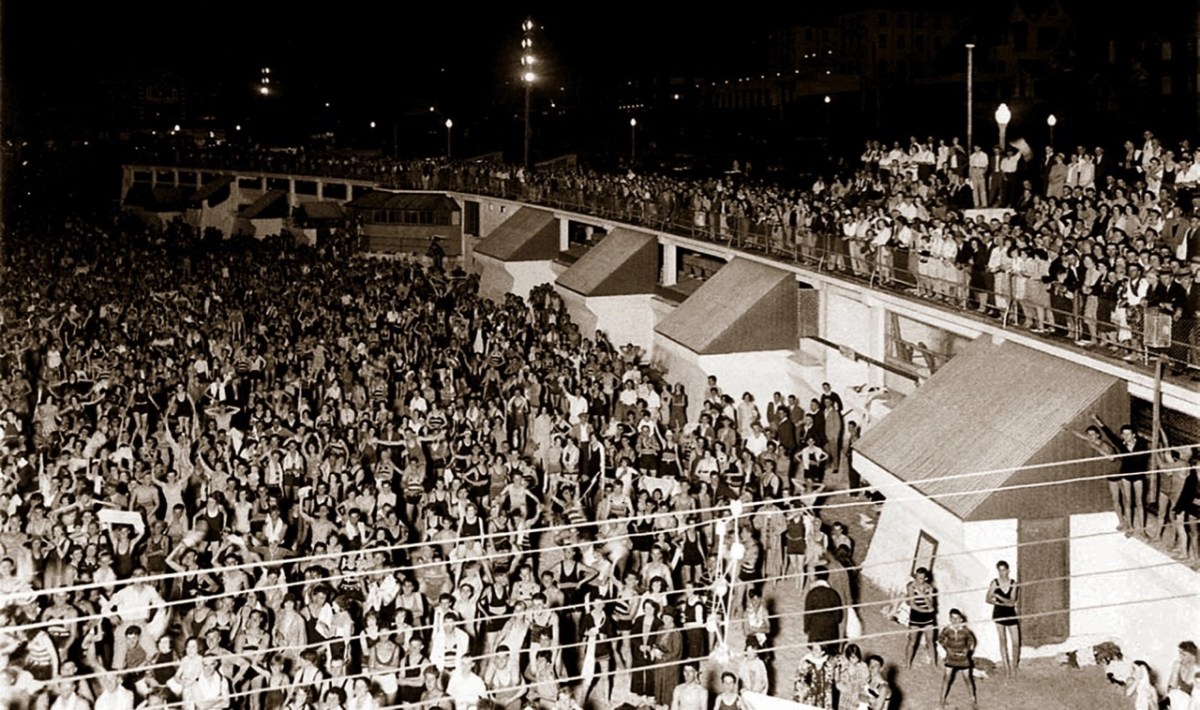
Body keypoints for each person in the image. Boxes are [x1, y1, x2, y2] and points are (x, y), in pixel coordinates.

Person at [938, 609, 977, 709]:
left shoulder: (965, 630)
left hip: (963, 658)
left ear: (961, 619)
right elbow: (940, 639)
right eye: (952, 618)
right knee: (946, 678)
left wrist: (967, 650)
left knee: (967, 679)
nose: (955, 621)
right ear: (950, 619)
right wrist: (947, 649)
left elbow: (971, 641)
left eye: (957, 618)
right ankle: (942, 700)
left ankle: (973, 700)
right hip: (951, 657)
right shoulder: (947, 629)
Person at [986, 560, 1020, 676]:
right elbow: (988, 599)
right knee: (1003, 640)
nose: (1002, 573)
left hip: (1010, 613)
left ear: (1008, 570)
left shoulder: (1013, 583)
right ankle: (1007, 668)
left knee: (1016, 642)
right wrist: (999, 603)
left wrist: (998, 596)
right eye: (999, 570)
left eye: (1004, 570)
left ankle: (1014, 666)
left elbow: (1012, 603)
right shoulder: (995, 583)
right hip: (999, 613)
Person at [804, 567, 844, 655]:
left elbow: (808, 613)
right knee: (830, 651)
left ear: (816, 577)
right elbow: (838, 617)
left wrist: (806, 627)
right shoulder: (834, 593)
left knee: (816, 652)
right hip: (830, 628)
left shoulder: (812, 593)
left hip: (816, 627)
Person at [906, 567, 938, 668]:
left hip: (928, 618)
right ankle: (908, 663)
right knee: (912, 641)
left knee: (930, 641)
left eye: (920, 578)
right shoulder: (911, 587)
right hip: (915, 616)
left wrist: (923, 595)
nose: (917, 580)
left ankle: (934, 664)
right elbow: (913, 605)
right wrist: (927, 611)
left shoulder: (930, 588)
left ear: (926, 579)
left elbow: (931, 606)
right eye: (917, 577)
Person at [794, 643, 835, 709]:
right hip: (808, 696)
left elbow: (829, 682)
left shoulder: (827, 664)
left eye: (816, 649)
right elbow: (799, 679)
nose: (813, 651)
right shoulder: (806, 662)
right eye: (813, 649)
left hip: (822, 696)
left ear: (822, 652)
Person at [834, 644, 870, 710]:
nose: (855, 658)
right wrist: (837, 671)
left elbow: (865, 683)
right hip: (844, 698)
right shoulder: (843, 667)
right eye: (852, 656)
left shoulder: (863, 667)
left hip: (857, 698)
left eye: (856, 655)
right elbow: (837, 683)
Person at [1167, 641, 1198, 710]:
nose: (1180, 657)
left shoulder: (1197, 670)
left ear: (1192, 656)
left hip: (1189, 703)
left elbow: (1195, 693)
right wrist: (1176, 670)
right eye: (1180, 653)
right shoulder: (1177, 665)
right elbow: (1171, 687)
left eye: (1184, 655)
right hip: (1175, 700)